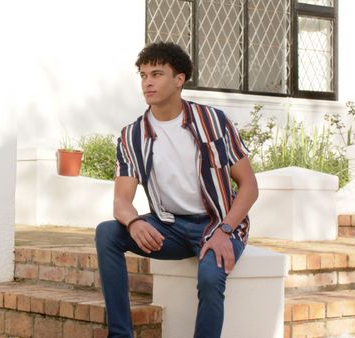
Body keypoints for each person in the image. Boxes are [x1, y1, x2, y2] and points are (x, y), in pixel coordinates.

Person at [95, 41, 259, 338]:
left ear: (179, 79)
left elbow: (249, 186)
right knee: (107, 232)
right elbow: (121, 201)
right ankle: (120, 335)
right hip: (169, 228)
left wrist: (224, 230)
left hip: (217, 225)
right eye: (143, 75)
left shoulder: (213, 121)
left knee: (210, 276)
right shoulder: (132, 135)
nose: (148, 82)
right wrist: (132, 223)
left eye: (156, 74)